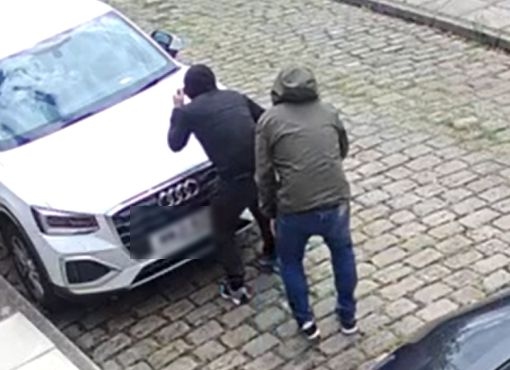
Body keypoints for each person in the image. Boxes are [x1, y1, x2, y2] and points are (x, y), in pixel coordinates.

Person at [255, 65, 358, 340]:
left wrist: (269, 211)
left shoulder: (268, 121)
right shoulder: (329, 113)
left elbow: (263, 173)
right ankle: (348, 315)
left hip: (294, 208)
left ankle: (306, 322)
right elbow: (342, 149)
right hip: (335, 201)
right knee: (343, 253)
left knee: (290, 262)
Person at [168, 64, 276, 305]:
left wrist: (178, 109)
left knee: (221, 229)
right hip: (260, 170)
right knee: (260, 208)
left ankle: (236, 284)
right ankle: (271, 251)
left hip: (233, 179)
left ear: (187, 91)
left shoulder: (188, 112)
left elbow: (175, 143)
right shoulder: (235, 97)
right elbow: (265, 120)